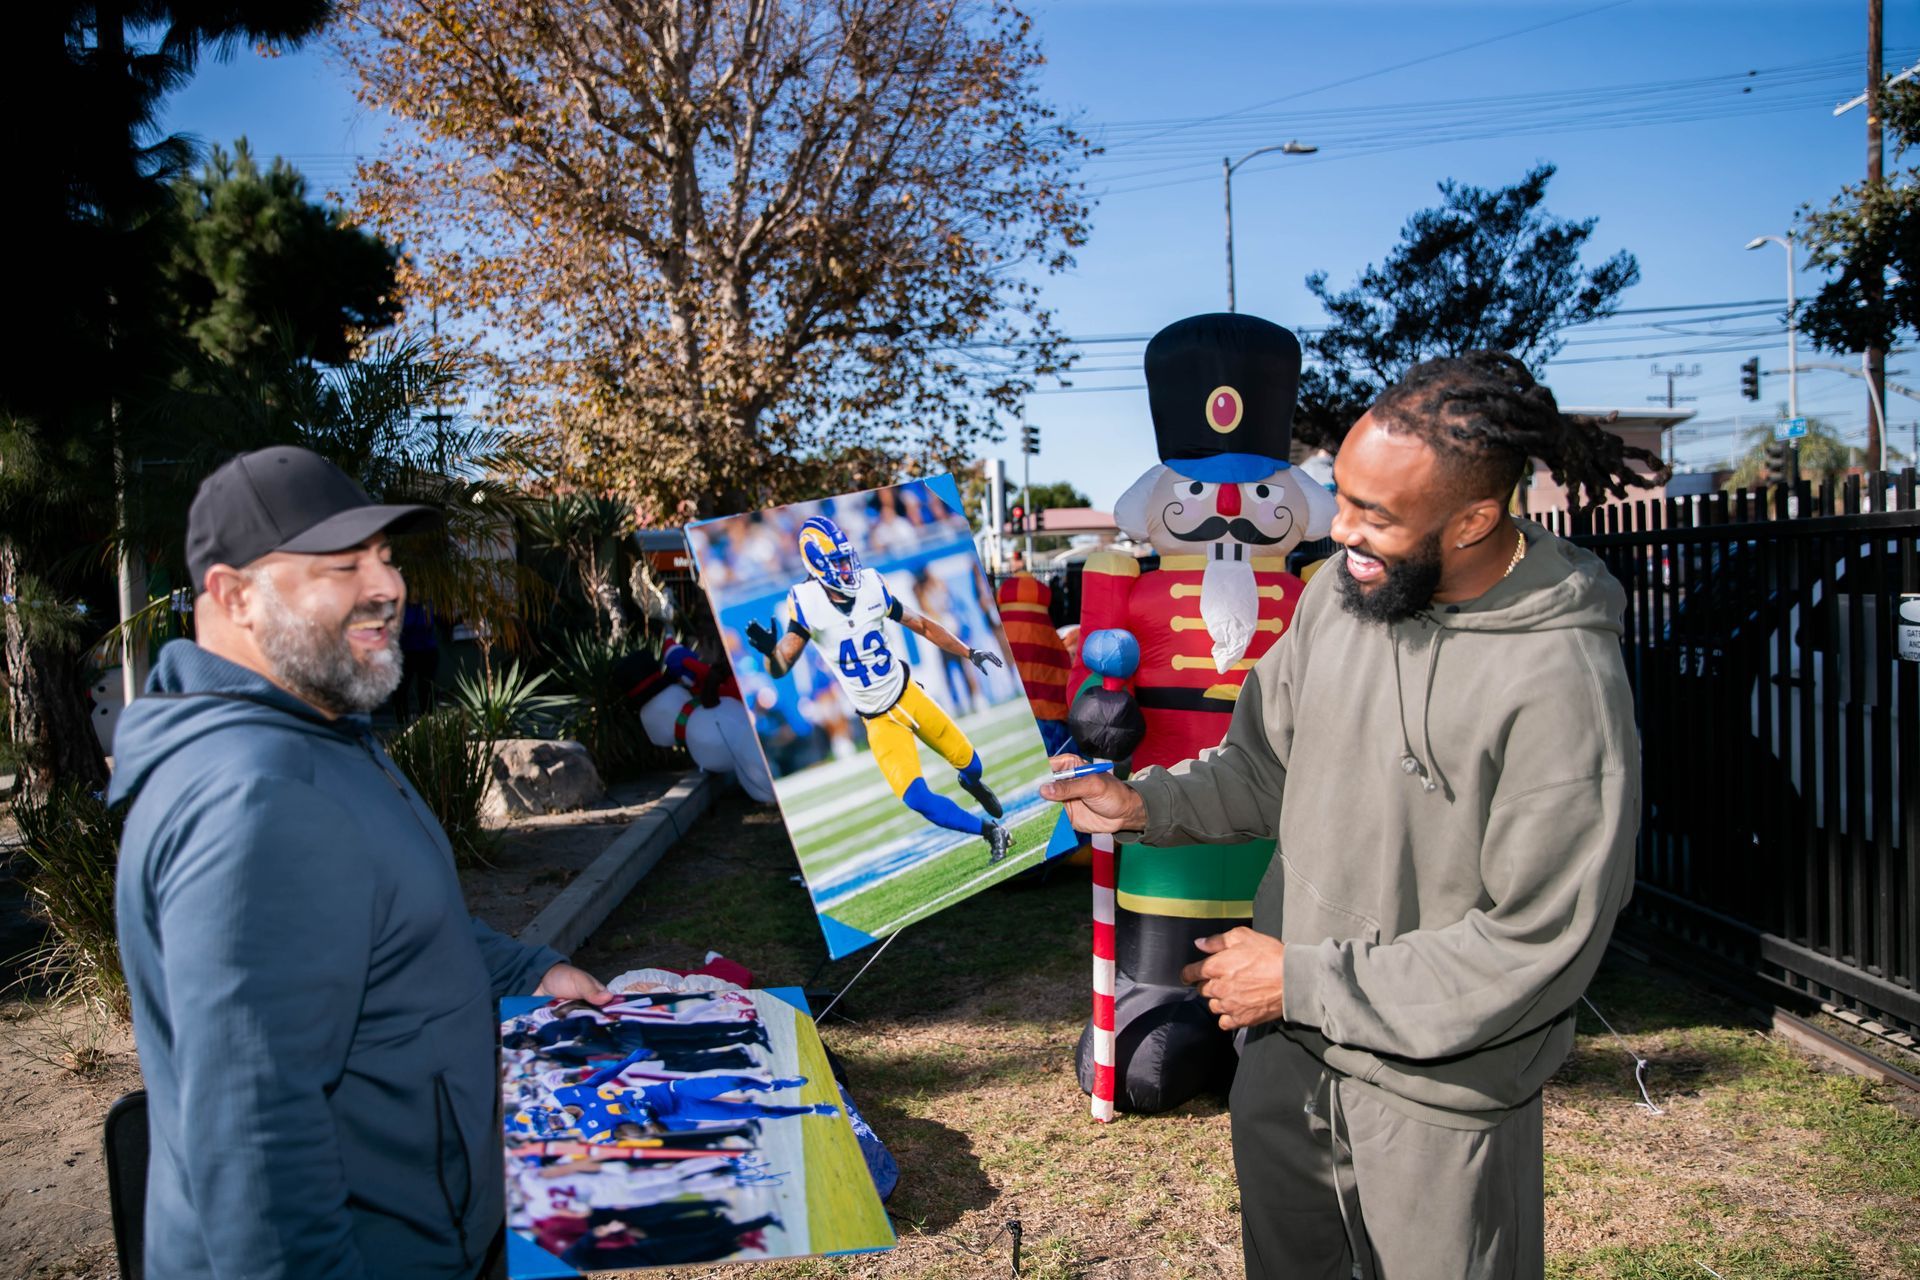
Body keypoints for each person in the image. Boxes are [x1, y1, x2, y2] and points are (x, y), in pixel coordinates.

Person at [1044, 353, 1658, 1279]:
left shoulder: (1562, 687)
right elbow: (1261, 765)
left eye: (1376, 517)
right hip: (1289, 1064)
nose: (1340, 533)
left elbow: (1538, 943)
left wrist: (1299, 981)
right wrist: (1142, 802)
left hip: (1441, 1096)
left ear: (1477, 520)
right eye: (1342, 500)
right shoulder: (1340, 592)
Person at [111, 445, 614, 1280]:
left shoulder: (324, 737)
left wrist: (526, 970)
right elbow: (254, 1149)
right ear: (234, 596)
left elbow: (395, 920)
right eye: (341, 565)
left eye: (383, 557)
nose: (386, 586)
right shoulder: (256, 796)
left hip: (444, 1229)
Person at [744, 514, 1013, 863]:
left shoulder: (872, 584)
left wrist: (968, 651)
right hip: (877, 719)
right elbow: (781, 666)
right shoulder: (807, 602)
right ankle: (990, 831)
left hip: (908, 696)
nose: (846, 568)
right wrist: (770, 653)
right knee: (916, 799)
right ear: (817, 564)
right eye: (837, 562)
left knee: (972, 765)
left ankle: (972, 783)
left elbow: (922, 625)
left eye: (846, 559)